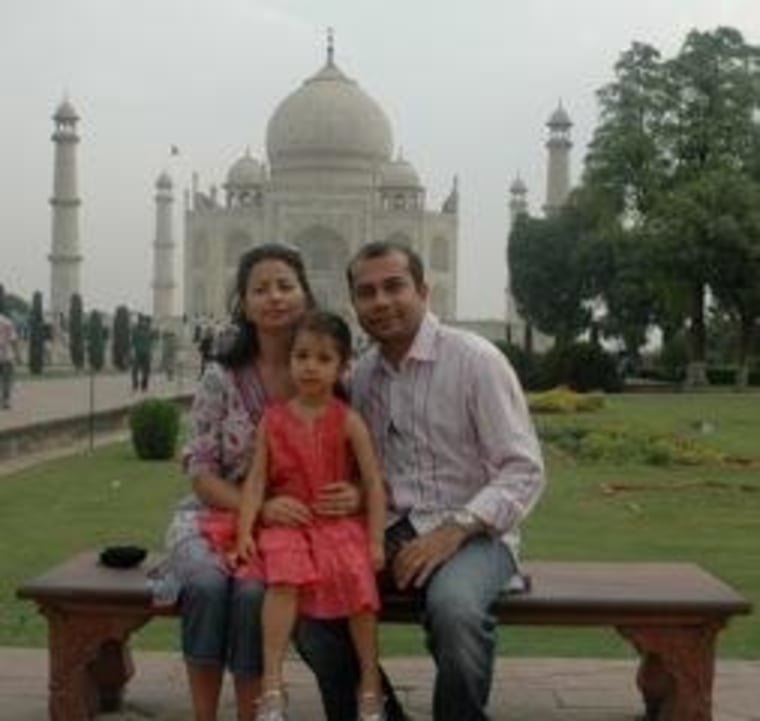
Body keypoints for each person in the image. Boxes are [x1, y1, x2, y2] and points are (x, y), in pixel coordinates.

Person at [297, 241, 546, 721]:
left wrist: (452, 531)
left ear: (424, 291)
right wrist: (354, 492)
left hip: (475, 533)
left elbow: (523, 470)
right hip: (389, 530)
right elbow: (364, 469)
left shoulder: (475, 361)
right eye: (367, 292)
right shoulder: (364, 376)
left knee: (455, 611)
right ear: (355, 306)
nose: (382, 301)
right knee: (312, 605)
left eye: (394, 286)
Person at [151, 244, 363, 721]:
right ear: (243, 303)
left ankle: (254, 712)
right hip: (214, 516)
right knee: (205, 584)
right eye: (261, 289)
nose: (275, 297)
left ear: (306, 295)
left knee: (252, 594)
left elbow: (355, 464)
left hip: (293, 531)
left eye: (285, 286)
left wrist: (355, 492)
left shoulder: (328, 373)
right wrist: (261, 507)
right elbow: (201, 471)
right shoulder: (221, 378)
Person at [206, 311, 387, 721]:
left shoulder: (347, 419)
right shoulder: (274, 419)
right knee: (283, 579)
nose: (310, 366)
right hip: (288, 524)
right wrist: (246, 531)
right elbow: (255, 482)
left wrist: (375, 540)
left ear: (343, 367)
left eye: (323, 359)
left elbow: (374, 483)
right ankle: (272, 686)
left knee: (359, 584)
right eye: (302, 356)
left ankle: (370, 685)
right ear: (290, 361)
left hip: (335, 525)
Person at [0, 307, 19, 410]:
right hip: (6, 355)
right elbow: (13, 339)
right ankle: (5, 402)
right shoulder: (7, 322)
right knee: (6, 380)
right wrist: (17, 354)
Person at [131, 314, 154, 392]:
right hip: (138, 354)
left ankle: (144, 385)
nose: (143, 323)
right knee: (135, 370)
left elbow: (152, 342)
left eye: (144, 321)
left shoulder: (149, 330)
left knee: (146, 371)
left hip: (146, 354)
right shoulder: (135, 330)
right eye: (142, 321)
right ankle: (135, 384)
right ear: (139, 321)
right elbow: (132, 342)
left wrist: (151, 353)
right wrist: (132, 351)